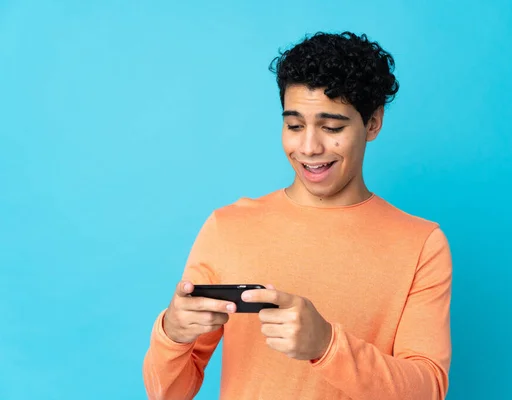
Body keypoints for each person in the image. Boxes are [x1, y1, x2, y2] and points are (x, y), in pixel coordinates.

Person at [142, 31, 452, 400]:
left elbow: (428, 391)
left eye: (332, 127)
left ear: (372, 123)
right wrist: (172, 334)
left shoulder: (420, 244)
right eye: (294, 125)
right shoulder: (228, 228)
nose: (308, 147)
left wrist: (327, 346)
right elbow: (168, 393)